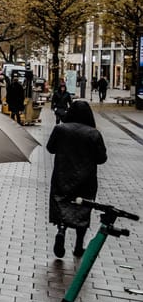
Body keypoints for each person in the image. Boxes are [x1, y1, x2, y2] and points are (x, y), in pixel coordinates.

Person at [47, 100, 108, 259]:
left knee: (63, 204)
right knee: (83, 208)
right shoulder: (94, 134)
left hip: (62, 175)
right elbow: (102, 159)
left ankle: (61, 230)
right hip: (85, 179)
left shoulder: (60, 129)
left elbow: (50, 148)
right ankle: (78, 245)